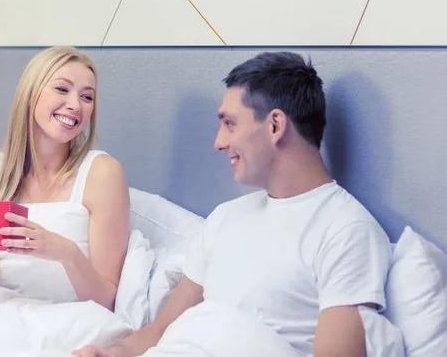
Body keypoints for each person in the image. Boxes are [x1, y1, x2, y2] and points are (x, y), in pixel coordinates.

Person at [74, 52, 393, 356]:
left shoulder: (346, 230)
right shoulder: (226, 218)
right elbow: (161, 331)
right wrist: (110, 353)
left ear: (275, 126)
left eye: (230, 123)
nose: (218, 142)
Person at [0, 46, 130, 310]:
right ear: (30, 94)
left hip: (70, 323)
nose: (75, 105)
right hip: (0, 318)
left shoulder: (103, 174)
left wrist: (67, 253)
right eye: (62, 89)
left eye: (87, 97)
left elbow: (106, 300)